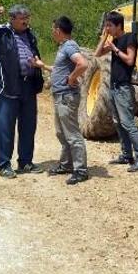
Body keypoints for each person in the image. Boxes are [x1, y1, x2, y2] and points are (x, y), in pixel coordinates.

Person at [0, 4, 44, 179]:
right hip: (8, 87)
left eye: (27, 19)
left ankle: (25, 162)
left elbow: (35, 54)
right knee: (5, 128)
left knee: (28, 126)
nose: (26, 22)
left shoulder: (30, 34)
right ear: (12, 19)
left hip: (28, 86)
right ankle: (4, 165)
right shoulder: (0, 32)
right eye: (22, 19)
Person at [33, 16, 90, 185]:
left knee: (72, 134)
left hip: (67, 96)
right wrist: (42, 66)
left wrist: (72, 78)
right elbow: (59, 69)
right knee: (61, 133)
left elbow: (83, 64)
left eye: (53, 30)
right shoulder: (64, 47)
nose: (52, 33)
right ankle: (66, 164)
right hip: (60, 96)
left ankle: (80, 170)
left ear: (58, 30)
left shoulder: (70, 46)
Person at [94, 11, 138, 172]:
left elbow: (130, 59)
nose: (108, 28)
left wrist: (115, 49)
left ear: (119, 25)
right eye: (106, 25)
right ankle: (126, 155)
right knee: (118, 122)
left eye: (110, 25)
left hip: (124, 87)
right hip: (114, 87)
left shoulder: (129, 37)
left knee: (128, 123)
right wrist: (104, 38)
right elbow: (96, 54)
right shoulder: (115, 40)